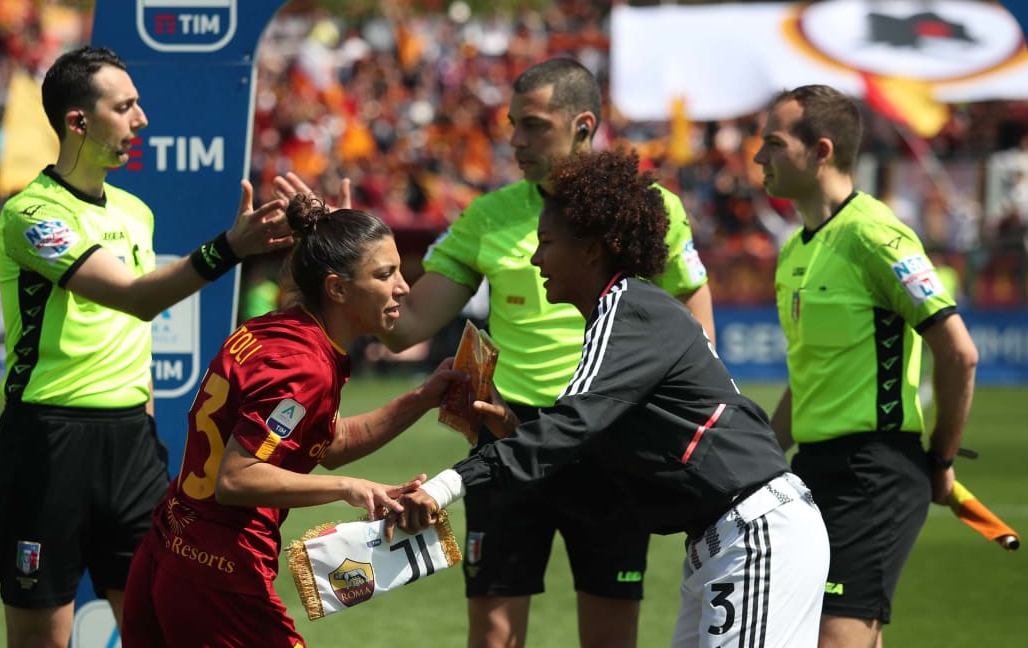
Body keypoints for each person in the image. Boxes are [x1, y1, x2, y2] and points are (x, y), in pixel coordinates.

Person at [397, 149, 829, 648]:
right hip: (725, 540)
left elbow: (570, 426)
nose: (535, 259)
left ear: (591, 248)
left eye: (547, 243)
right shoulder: (622, 315)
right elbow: (589, 436)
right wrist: (517, 430)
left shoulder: (630, 312)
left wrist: (446, 486)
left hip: (753, 535)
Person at [381, 56, 714, 648]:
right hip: (506, 437)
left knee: (610, 639)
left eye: (534, 124)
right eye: (513, 124)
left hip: (610, 437)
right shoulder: (487, 215)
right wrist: (347, 257)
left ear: (583, 125)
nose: (516, 140)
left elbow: (695, 323)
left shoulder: (644, 209)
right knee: (493, 642)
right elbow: (404, 328)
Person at [0, 46, 297, 648]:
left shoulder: (135, 213)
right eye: (124, 106)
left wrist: (148, 426)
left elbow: (133, 335)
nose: (142, 120)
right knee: (39, 637)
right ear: (79, 122)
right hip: (48, 444)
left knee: (161, 625)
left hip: (133, 447)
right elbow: (131, 298)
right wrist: (228, 248)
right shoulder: (31, 214)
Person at [122, 193, 465, 648]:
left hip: (171, 545)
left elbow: (331, 442)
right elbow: (238, 479)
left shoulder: (283, 330)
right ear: (338, 289)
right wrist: (352, 489)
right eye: (385, 274)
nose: (403, 286)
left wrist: (423, 398)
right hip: (220, 567)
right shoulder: (303, 365)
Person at [752, 85, 979, 648]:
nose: (758, 158)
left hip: (875, 473)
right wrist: (755, 462)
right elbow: (806, 380)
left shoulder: (877, 235)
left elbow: (958, 352)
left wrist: (942, 459)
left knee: (837, 635)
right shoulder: (792, 251)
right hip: (813, 471)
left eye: (773, 144)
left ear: (821, 150)